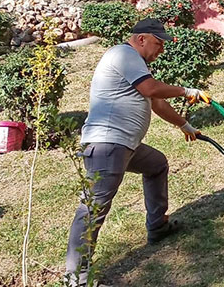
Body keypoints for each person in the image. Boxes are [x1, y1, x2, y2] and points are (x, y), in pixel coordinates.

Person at [64, 18, 211, 287]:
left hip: (124, 145)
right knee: (93, 208)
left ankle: (157, 227)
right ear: (141, 39)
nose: (161, 50)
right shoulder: (123, 53)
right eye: (158, 43)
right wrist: (186, 90)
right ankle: (77, 279)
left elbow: (156, 103)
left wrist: (185, 125)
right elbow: (151, 89)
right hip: (107, 145)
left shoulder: (137, 66)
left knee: (156, 164)